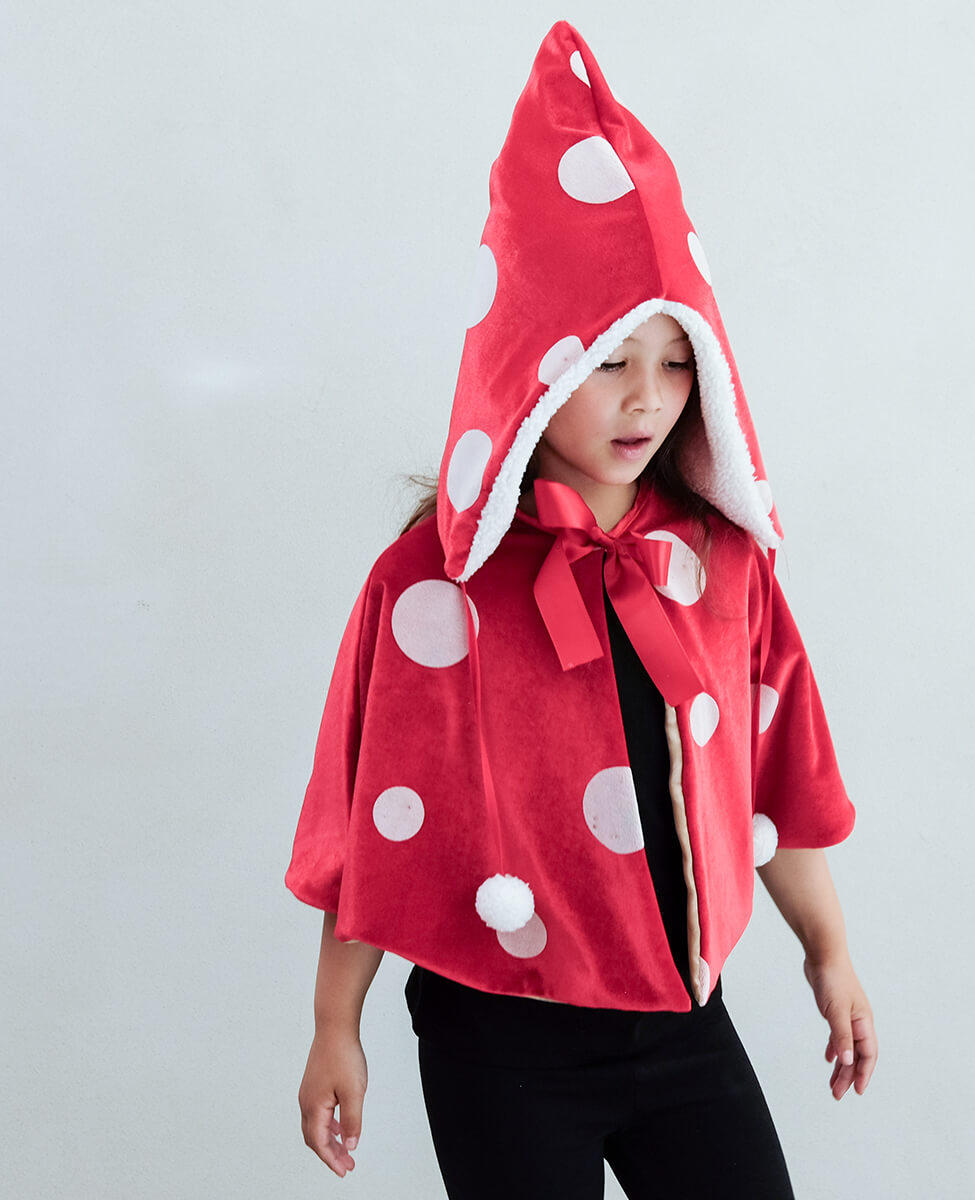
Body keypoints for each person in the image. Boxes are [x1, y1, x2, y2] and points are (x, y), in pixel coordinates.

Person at [287, 21, 876, 1199]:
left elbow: (777, 773)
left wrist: (830, 952)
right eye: (610, 362)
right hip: (497, 1037)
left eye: (674, 362)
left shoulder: (720, 563)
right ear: (533, 366)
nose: (647, 399)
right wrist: (333, 1025)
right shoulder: (429, 589)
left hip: (683, 1023)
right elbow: (376, 820)